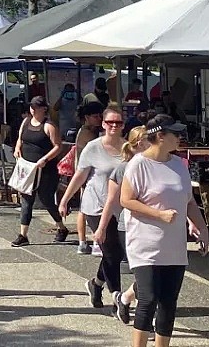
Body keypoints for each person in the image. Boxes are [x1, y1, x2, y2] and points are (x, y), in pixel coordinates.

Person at [121, 115, 209, 347]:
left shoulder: (179, 164)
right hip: (145, 244)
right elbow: (126, 200)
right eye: (176, 134)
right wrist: (158, 214)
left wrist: (201, 227)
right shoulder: (138, 164)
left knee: (169, 302)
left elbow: (189, 202)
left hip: (174, 245)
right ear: (160, 136)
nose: (180, 137)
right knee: (148, 300)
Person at [61, 106, 126, 308]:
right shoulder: (93, 147)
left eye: (118, 122)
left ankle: (96, 284)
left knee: (115, 252)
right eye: (110, 122)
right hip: (96, 205)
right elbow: (80, 175)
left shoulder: (128, 148)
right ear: (103, 124)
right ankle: (117, 297)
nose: (114, 126)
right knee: (111, 252)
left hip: (120, 207)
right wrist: (65, 199)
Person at [96, 125, 149, 326]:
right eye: (147, 140)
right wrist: (101, 228)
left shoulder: (157, 165)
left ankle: (125, 298)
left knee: (154, 274)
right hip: (129, 227)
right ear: (137, 144)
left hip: (153, 227)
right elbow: (111, 200)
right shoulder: (123, 168)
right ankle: (146, 323)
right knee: (145, 276)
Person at [11, 97, 69, 247]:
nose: (33, 110)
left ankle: (61, 227)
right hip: (27, 168)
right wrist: (17, 148)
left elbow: (58, 146)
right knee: (26, 200)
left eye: (36, 107)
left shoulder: (49, 126)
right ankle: (23, 235)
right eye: (32, 107)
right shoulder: (26, 122)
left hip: (45, 170)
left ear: (43, 109)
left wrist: (45, 159)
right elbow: (20, 139)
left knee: (46, 200)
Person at [73, 101, 105, 253]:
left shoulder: (87, 130)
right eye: (95, 116)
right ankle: (86, 241)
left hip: (85, 172)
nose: (98, 119)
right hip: (87, 174)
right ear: (87, 117)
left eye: (100, 116)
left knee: (84, 207)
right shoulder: (88, 133)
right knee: (87, 208)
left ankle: (83, 242)